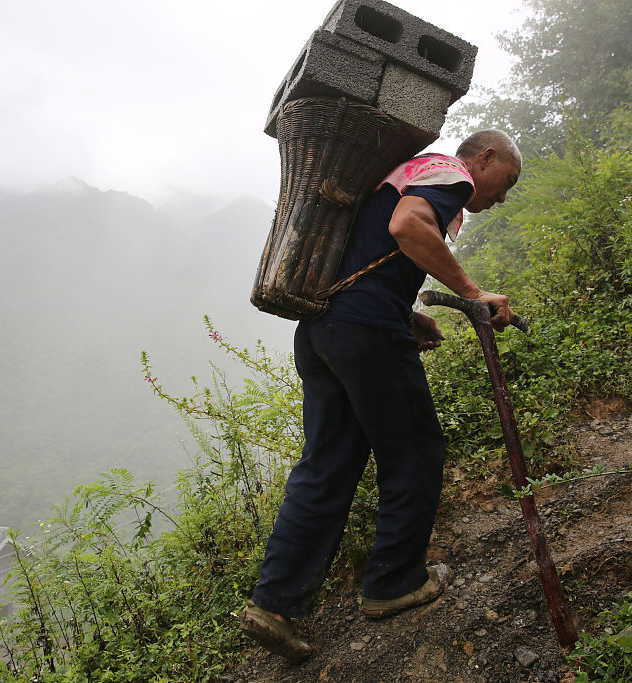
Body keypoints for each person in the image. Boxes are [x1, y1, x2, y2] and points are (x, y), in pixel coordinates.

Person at [239, 129, 521, 661]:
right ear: (485, 159)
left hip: (324, 327)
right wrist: (472, 292)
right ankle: (394, 584)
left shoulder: (405, 174)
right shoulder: (450, 173)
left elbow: (373, 252)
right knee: (415, 450)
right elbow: (406, 225)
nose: (501, 196)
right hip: (364, 329)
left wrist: (405, 313)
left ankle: (273, 604)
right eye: (506, 181)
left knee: (329, 462)